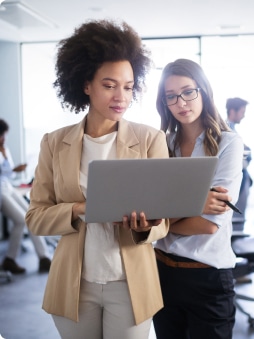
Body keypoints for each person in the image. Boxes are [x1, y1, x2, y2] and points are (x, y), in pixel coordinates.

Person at [25, 20, 170, 339]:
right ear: (86, 84)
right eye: (109, 85)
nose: (121, 96)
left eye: (129, 86)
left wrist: (145, 226)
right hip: (74, 286)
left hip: (131, 284)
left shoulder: (149, 140)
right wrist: (79, 208)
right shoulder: (54, 142)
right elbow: (35, 219)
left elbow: (164, 222)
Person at [152, 59, 243, 339]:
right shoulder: (161, 145)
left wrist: (162, 219)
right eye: (171, 96)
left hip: (208, 277)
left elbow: (208, 224)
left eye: (188, 91)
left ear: (203, 91)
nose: (181, 102)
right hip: (161, 273)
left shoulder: (228, 143)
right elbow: (149, 210)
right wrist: (195, 203)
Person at [0, 119, 51, 274]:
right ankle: (10, 259)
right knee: (21, 220)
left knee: (31, 215)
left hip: (7, 187)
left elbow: (7, 171)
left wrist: (4, 154)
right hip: (1, 192)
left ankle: (44, 257)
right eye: (2, 135)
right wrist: (13, 169)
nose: (4, 138)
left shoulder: (4, 148)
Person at [225, 97, 252, 228]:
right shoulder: (227, 132)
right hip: (237, 180)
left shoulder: (232, 130)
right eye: (242, 111)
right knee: (236, 216)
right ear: (232, 111)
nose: (244, 115)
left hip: (242, 177)